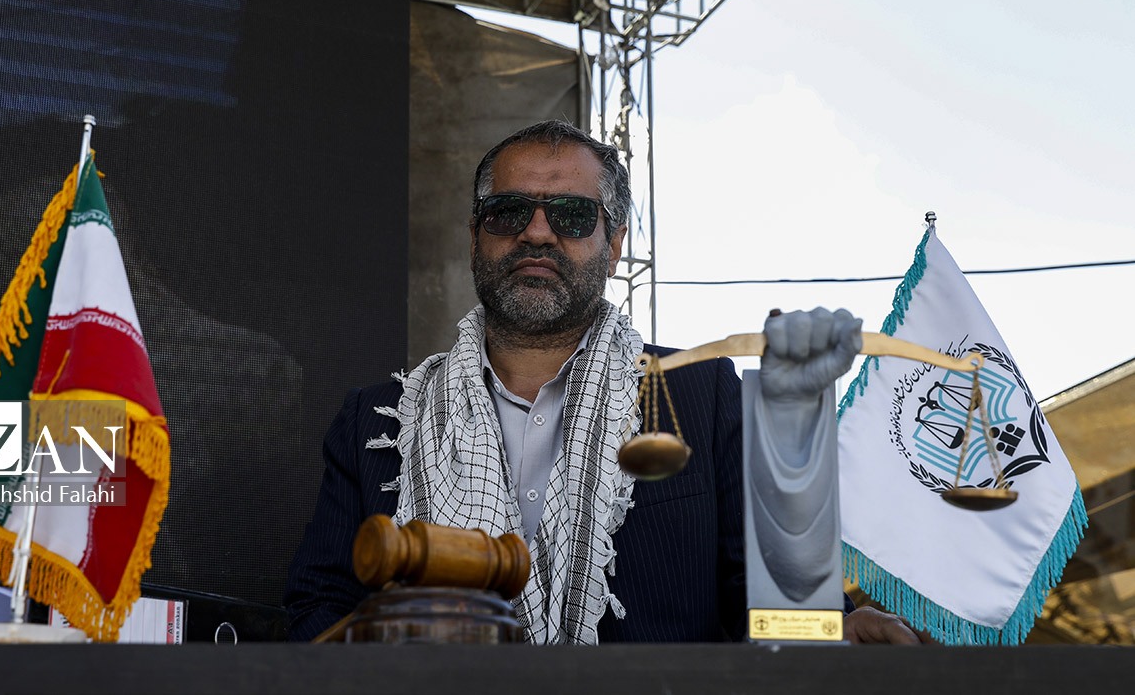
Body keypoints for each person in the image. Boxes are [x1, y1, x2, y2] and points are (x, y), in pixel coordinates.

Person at [284, 120, 918, 644]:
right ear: (475, 238)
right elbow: (316, 610)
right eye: (508, 213)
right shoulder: (378, 422)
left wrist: (835, 628)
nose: (537, 231)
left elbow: (773, 606)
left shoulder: (701, 394)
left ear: (614, 245)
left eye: (571, 215)